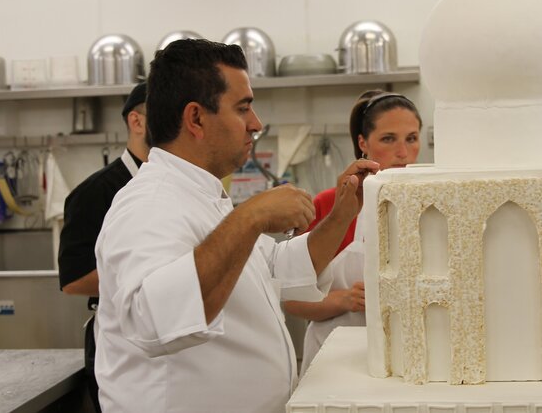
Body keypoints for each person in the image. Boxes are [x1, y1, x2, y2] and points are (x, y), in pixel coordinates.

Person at [93, 39, 379, 413]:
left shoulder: (203, 195)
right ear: (195, 118)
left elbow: (276, 267)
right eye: (243, 108)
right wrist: (252, 216)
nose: (255, 124)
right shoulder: (149, 203)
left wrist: (342, 213)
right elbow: (154, 318)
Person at [283, 89, 422, 375]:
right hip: (332, 361)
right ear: (363, 143)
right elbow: (292, 299)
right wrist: (344, 299)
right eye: (388, 139)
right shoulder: (329, 205)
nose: (403, 153)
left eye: (412, 138)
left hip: (405, 357)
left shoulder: (427, 206)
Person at [57, 82, 149, 412]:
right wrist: (155, 276)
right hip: (120, 343)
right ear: (136, 122)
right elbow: (73, 279)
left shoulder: (175, 186)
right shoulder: (96, 192)